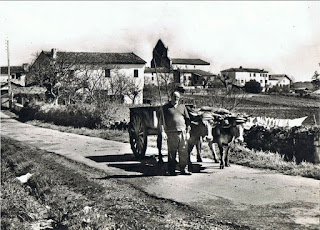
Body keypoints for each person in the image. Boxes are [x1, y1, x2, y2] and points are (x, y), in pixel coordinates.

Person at [160, 91, 192, 176]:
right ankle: (171, 170)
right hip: (171, 133)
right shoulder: (165, 108)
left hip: (182, 132)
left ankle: (183, 169)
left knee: (184, 151)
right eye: (174, 96)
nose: (176, 99)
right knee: (172, 152)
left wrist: (188, 132)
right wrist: (163, 132)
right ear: (171, 97)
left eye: (177, 97)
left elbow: (188, 120)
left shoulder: (182, 107)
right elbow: (161, 122)